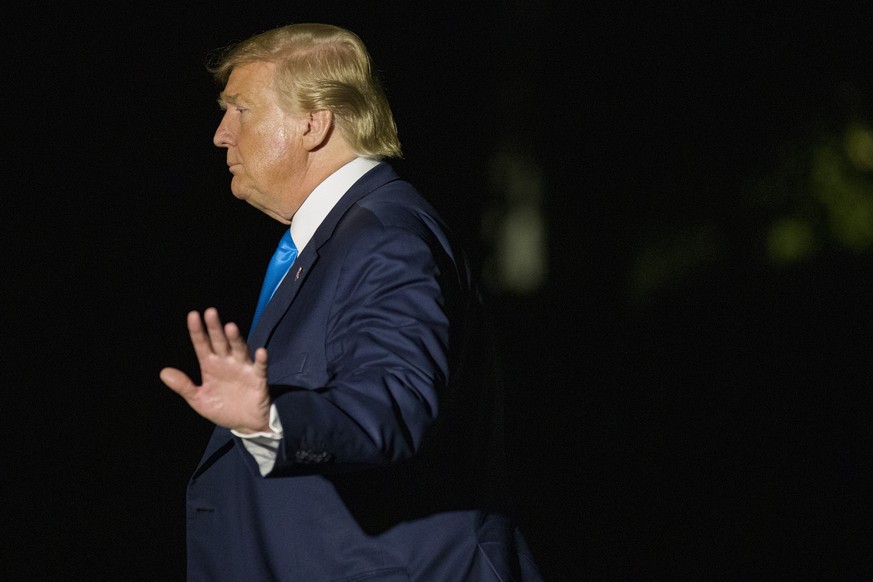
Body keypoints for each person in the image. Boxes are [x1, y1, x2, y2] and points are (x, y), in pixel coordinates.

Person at [160, 22, 542, 581]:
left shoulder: (385, 235)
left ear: (314, 124)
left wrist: (271, 420)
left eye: (240, 110)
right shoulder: (342, 234)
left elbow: (395, 399)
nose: (221, 134)